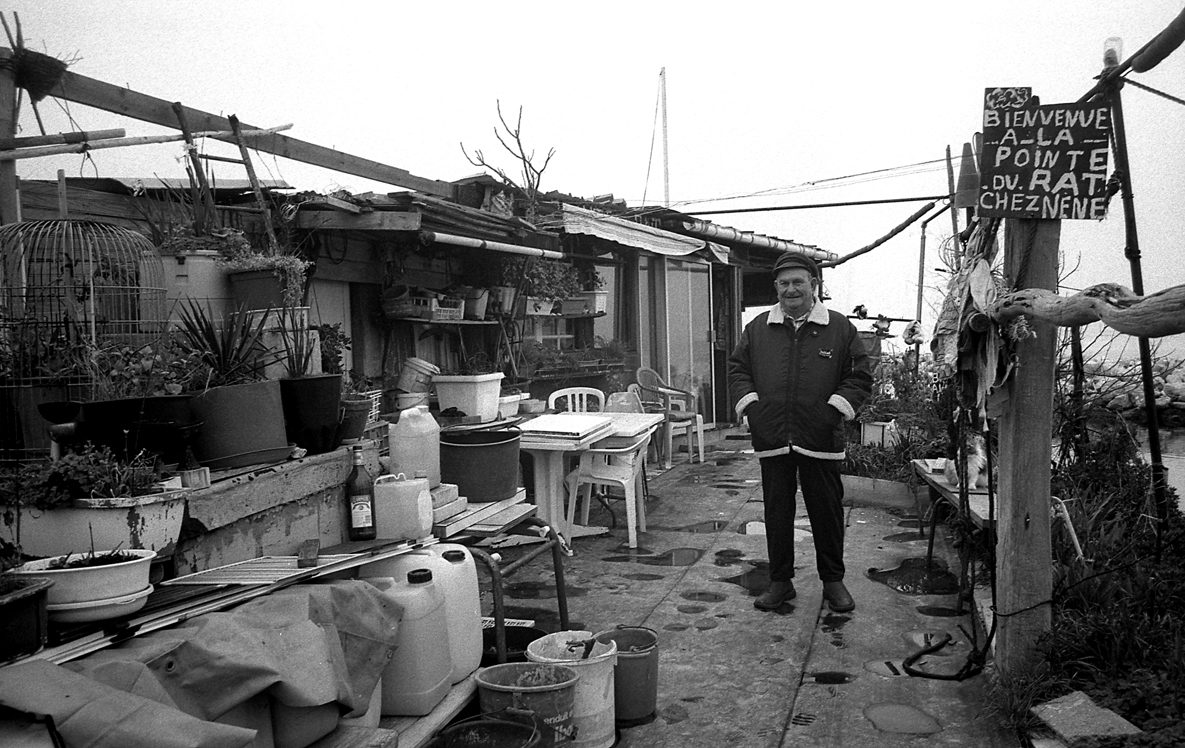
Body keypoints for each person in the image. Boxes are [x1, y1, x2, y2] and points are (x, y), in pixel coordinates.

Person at [727, 251, 873, 613]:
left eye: (798, 282)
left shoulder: (839, 328)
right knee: (776, 512)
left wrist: (832, 412)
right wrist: (753, 410)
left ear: (814, 285)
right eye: (783, 283)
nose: (791, 289)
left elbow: (859, 376)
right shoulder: (758, 328)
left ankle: (833, 581)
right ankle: (780, 581)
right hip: (772, 436)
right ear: (776, 287)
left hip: (820, 438)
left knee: (826, 512)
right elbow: (737, 370)